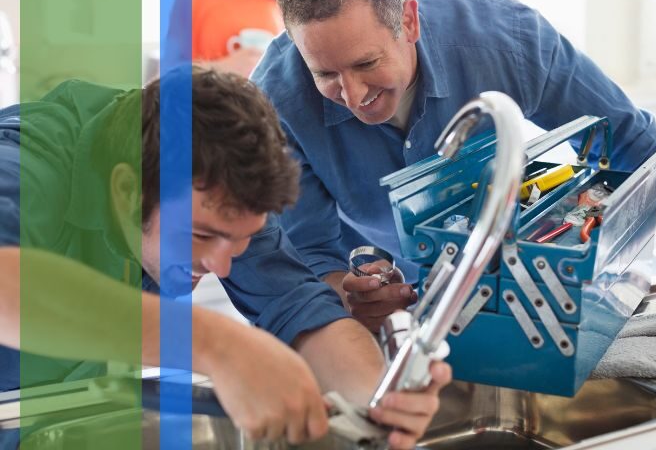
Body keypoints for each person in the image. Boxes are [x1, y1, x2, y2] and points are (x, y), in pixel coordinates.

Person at [251, 0, 656, 333]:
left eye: (367, 63)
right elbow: (311, 248)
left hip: (506, 275)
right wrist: (350, 295)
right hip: (382, 285)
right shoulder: (275, 101)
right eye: (326, 74)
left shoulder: (503, 37)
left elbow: (635, 143)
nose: (351, 93)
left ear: (410, 23)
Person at [0, 66, 449, 450]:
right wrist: (218, 345)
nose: (221, 266)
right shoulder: (27, 166)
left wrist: (378, 401)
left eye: (239, 240)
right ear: (125, 191)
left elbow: (298, 308)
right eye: (199, 235)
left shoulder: (221, 194)